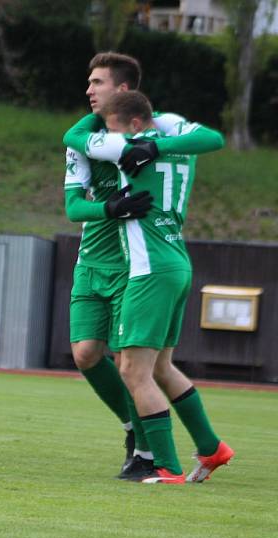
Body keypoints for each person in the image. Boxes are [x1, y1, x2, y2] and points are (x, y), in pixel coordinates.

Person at [61, 52, 225, 479]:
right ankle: (198, 445)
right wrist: (109, 208)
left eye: (97, 82)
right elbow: (73, 204)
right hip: (110, 258)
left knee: (136, 368)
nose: (89, 90)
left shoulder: (155, 127)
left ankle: (156, 458)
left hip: (139, 264)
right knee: (91, 355)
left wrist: (155, 145)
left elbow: (211, 139)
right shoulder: (89, 137)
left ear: (124, 91)